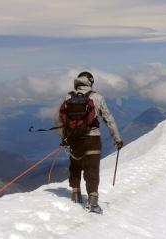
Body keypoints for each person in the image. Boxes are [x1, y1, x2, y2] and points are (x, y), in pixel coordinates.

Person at [56, 71, 123, 213]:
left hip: (74, 139)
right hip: (93, 139)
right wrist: (117, 139)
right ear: (90, 82)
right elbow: (108, 119)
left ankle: (75, 194)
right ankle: (92, 202)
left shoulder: (68, 97)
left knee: (75, 165)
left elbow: (60, 120)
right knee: (92, 169)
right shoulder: (97, 97)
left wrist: (64, 138)